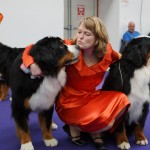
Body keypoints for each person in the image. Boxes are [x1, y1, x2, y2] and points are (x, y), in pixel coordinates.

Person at [21, 16, 130, 150]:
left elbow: (121, 57)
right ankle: (80, 127)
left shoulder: (106, 51)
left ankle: (88, 128)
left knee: (122, 100)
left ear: (98, 38)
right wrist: (31, 64)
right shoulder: (69, 47)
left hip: (91, 97)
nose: (80, 37)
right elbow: (30, 48)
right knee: (105, 123)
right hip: (68, 102)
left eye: (87, 34)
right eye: (79, 32)